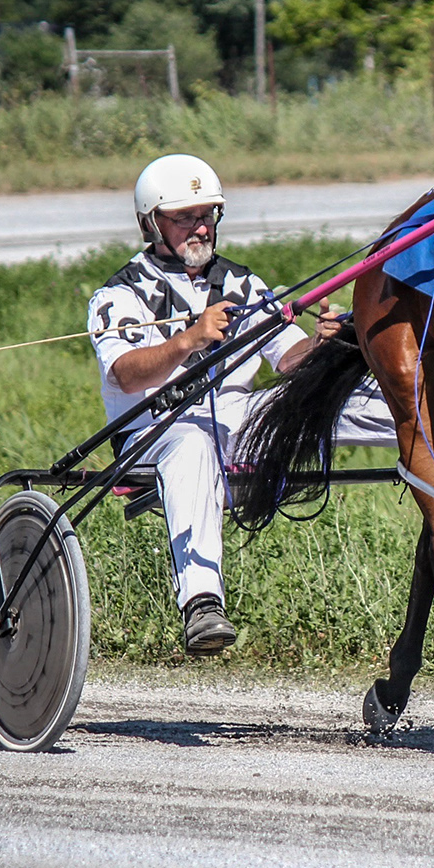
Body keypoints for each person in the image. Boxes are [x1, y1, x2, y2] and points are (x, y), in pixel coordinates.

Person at [88, 153, 394, 655]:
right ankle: (202, 604)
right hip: (154, 433)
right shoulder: (116, 295)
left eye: (207, 215)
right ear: (150, 222)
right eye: (184, 217)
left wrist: (321, 342)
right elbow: (125, 374)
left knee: (328, 392)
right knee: (190, 442)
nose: (200, 227)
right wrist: (189, 339)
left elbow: (288, 360)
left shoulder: (243, 284)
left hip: (236, 420)